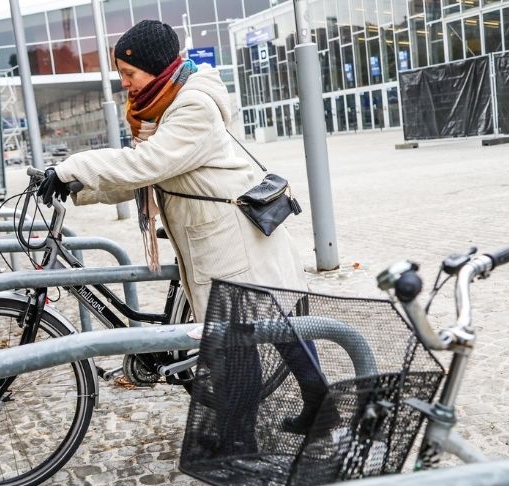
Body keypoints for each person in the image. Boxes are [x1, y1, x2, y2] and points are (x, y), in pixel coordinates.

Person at [37, 20, 330, 435]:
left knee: (239, 339)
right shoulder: (164, 105)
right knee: (273, 323)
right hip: (214, 233)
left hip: (233, 237)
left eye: (129, 74)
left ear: (156, 69)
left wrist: (72, 168)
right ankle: (319, 405)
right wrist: (76, 187)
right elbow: (146, 175)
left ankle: (240, 441)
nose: (124, 84)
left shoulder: (193, 106)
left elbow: (148, 164)